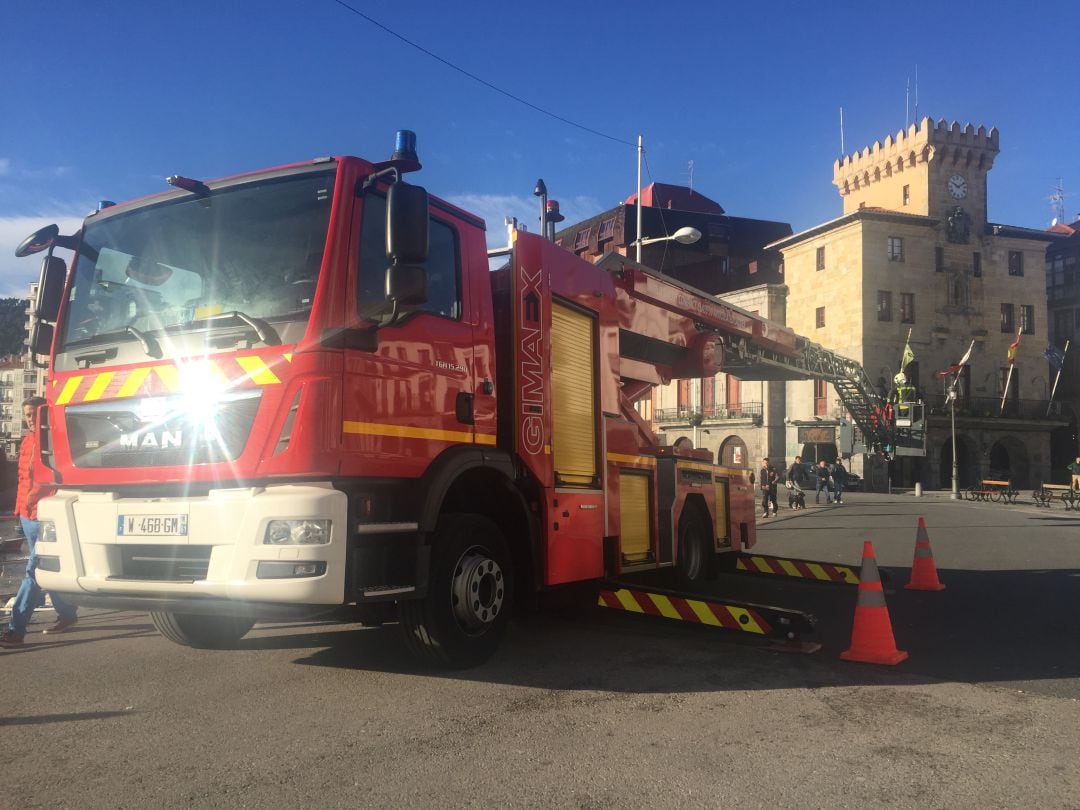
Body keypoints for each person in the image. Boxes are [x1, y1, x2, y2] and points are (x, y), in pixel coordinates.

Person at [0, 397, 78, 647]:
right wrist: (19, 508)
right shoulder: (27, 441)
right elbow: (23, 479)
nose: (29, 418)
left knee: (33, 571)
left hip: (44, 514)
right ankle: (67, 614)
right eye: (26, 414)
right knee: (46, 566)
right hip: (26, 514)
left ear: (44, 414)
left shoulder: (55, 443)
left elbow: (53, 478)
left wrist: (32, 498)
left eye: (33, 413)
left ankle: (16, 629)